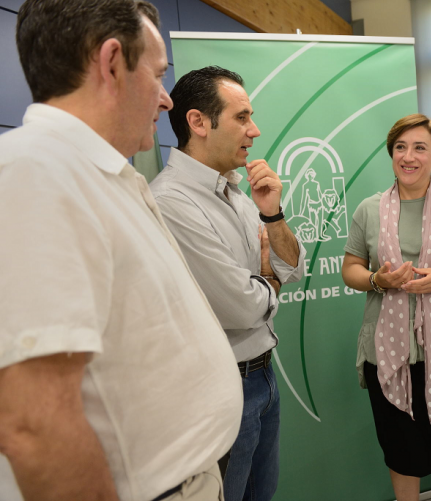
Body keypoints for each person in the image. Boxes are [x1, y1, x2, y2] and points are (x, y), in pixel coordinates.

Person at [0, 2, 243, 500]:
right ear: (111, 63)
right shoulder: (34, 173)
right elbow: (32, 424)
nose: (166, 100)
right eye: (157, 76)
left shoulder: (102, 175)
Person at [150, 65, 305, 501]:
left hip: (263, 376)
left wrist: (273, 216)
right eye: (241, 117)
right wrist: (270, 277)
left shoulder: (238, 191)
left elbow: (293, 266)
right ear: (198, 122)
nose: (254, 130)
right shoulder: (172, 202)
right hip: (223, 384)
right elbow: (241, 307)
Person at [341, 114, 431, 501]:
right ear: (392, 153)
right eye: (400, 147)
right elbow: (350, 270)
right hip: (388, 344)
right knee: (400, 444)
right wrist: (379, 281)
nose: (408, 156)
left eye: (420, 147)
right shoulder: (368, 210)